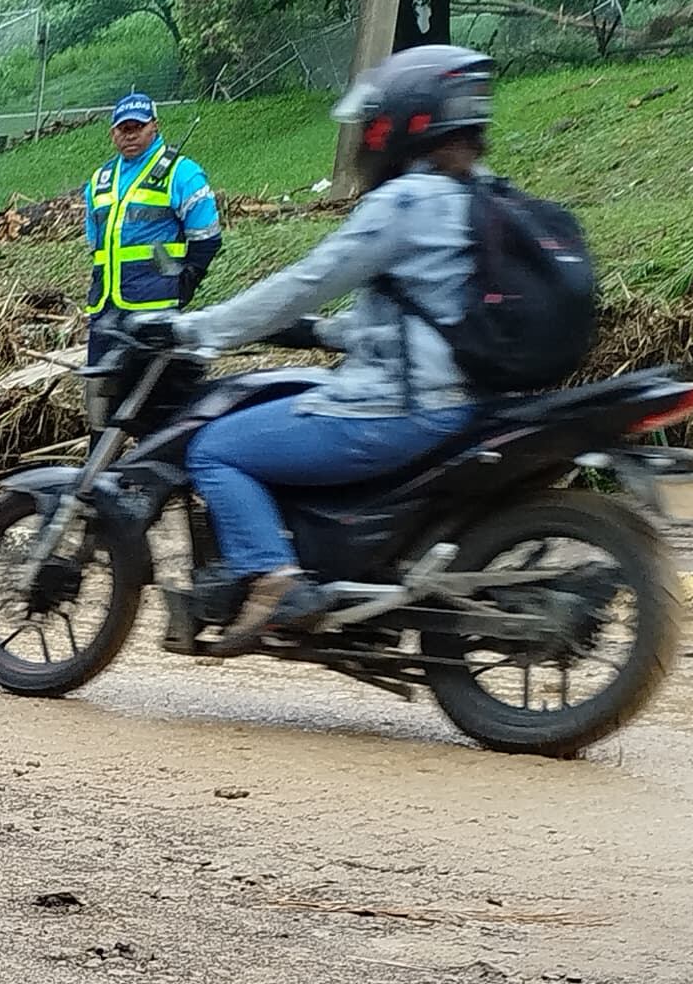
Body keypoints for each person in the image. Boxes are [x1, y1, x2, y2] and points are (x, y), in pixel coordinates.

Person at [147, 44, 497, 645]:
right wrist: (323, 333)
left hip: (399, 409)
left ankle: (273, 578)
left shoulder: (406, 201)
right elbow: (422, 313)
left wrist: (194, 329)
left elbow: (305, 282)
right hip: (467, 401)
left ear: (402, 121)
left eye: (371, 124)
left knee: (215, 449)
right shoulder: (483, 195)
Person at [79, 92, 222, 370]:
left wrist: (188, 280)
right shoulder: (100, 180)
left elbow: (207, 238)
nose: (130, 135)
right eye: (123, 128)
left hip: (154, 308)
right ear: (113, 133)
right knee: (101, 393)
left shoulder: (181, 173)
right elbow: (94, 243)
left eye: (138, 127)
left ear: (154, 126)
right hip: (106, 310)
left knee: (151, 394)